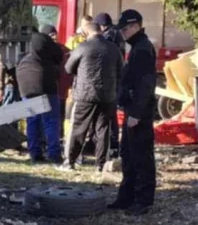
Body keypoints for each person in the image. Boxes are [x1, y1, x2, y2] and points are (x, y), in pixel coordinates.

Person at [111, 10, 158, 215]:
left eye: (126, 28)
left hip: (139, 111)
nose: (123, 32)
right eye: (122, 29)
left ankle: (143, 200)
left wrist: (137, 113)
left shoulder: (143, 49)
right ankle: (127, 197)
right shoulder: (137, 47)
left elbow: (146, 84)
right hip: (132, 108)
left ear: (137, 26)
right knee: (128, 155)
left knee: (141, 156)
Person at [62, 20, 124, 171]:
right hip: (107, 95)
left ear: (86, 32)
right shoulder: (113, 48)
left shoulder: (83, 47)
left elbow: (68, 68)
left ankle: (70, 162)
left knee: (78, 128)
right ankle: (101, 164)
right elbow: (121, 70)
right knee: (103, 130)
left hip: (85, 94)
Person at [16, 25, 64, 163]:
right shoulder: (42, 38)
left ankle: (34, 153)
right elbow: (59, 56)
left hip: (24, 81)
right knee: (51, 120)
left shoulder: (18, 40)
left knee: (32, 120)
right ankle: (54, 154)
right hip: (43, 81)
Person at [94, 13, 126, 158]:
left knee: (105, 116)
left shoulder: (107, 37)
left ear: (101, 25)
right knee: (111, 114)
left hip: (108, 80)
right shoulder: (118, 35)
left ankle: (108, 146)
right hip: (116, 78)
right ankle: (113, 146)